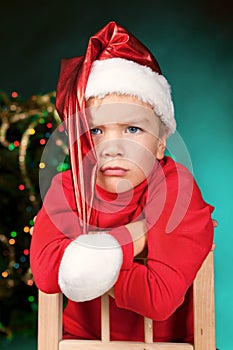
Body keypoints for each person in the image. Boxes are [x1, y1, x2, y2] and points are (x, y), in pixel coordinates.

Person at [30, 21, 215, 343]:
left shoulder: (174, 186)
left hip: (166, 346)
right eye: (97, 131)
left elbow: (158, 299)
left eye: (133, 129)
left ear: (161, 144)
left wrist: (86, 257)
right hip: (80, 342)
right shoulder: (67, 187)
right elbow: (48, 274)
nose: (113, 147)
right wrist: (136, 234)